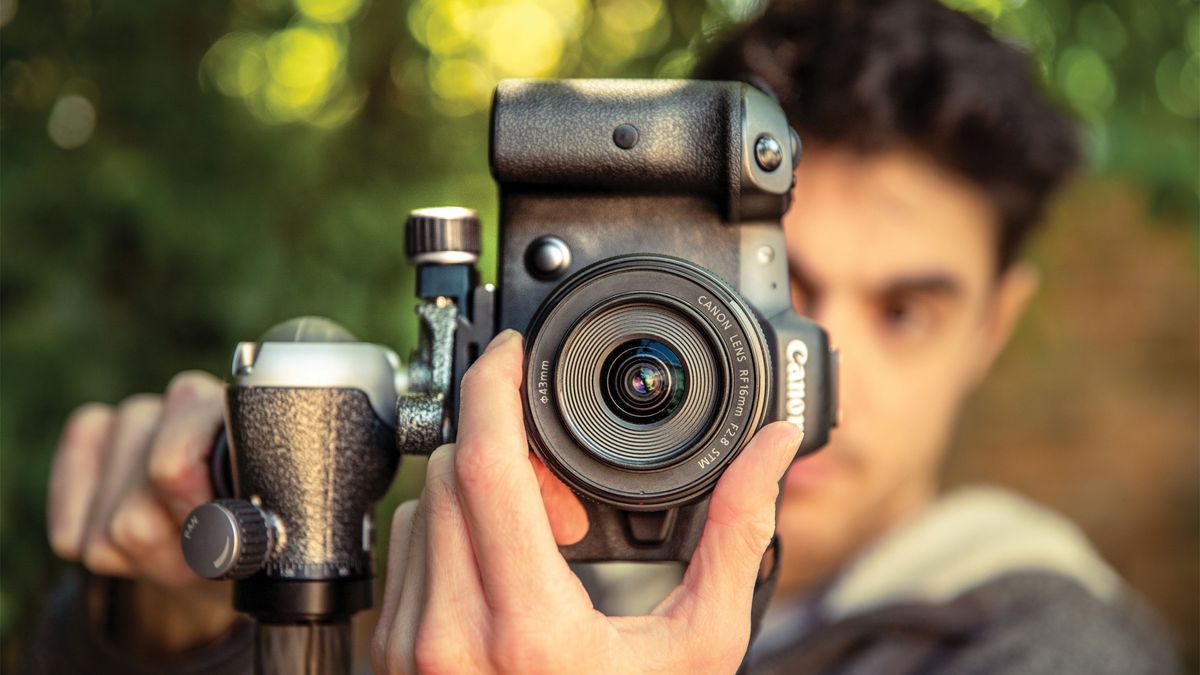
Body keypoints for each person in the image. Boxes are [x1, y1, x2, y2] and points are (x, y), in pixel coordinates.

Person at [35, 0, 1178, 673]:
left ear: (994, 327)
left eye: (906, 311)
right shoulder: (456, 571)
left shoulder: (1042, 641)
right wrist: (168, 611)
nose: (813, 360)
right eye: (772, 288)